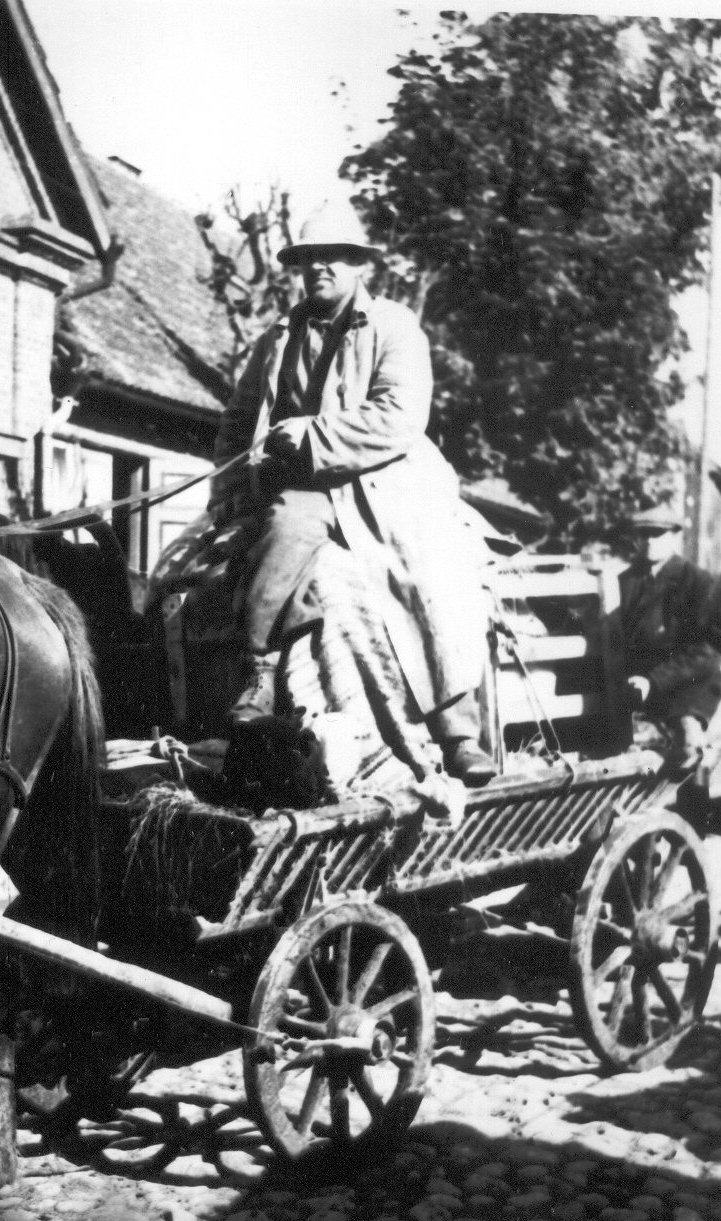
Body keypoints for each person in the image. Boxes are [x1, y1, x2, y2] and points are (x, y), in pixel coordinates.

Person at [211, 202, 498, 787]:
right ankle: (260, 670)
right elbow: (239, 424)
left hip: (391, 482)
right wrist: (226, 492)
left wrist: (314, 433)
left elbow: (399, 415)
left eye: (334, 258)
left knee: (432, 570)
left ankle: (457, 730)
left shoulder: (394, 326)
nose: (320, 268)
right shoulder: (277, 339)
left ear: (359, 265)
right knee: (284, 529)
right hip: (307, 485)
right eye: (309, 259)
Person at [618, 504, 721, 773]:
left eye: (657, 534)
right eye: (643, 535)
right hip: (634, 680)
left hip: (687, 684)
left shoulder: (699, 582)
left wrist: (653, 681)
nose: (649, 541)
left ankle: (696, 807)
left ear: (674, 536)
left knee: (690, 745)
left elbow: (707, 651)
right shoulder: (623, 582)